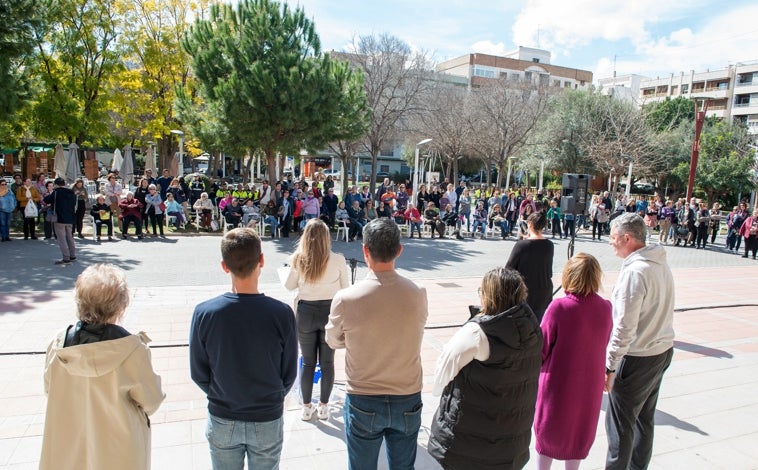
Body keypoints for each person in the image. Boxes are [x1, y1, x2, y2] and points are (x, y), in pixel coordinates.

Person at [39, 264, 165, 470]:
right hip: (120, 448)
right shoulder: (132, 349)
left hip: (68, 445)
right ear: (121, 305)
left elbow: (49, 389)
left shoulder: (58, 343)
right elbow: (152, 400)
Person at [190, 228, 297, 469]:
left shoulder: (205, 313)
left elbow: (198, 372)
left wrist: (223, 394)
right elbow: (289, 373)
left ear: (224, 266)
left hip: (222, 414)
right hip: (266, 416)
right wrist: (272, 396)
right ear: (261, 260)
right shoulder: (281, 314)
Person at [326, 219, 428, 470]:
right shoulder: (417, 293)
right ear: (399, 250)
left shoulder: (346, 298)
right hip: (407, 394)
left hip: (363, 397)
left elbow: (333, 339)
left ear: (365, 250)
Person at [428, 267, 542, 470]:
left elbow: (443, 370)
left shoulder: (478, 332)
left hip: (470, 445)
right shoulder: (531, 326)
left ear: (490, 295)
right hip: (512, 442)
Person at [605, 212, 675, 470]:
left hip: (636, 358)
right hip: (661, 351)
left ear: (627, 238)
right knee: (644, 420)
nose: (610, 243)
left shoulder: (635, 272)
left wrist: (610, 365)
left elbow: (624, 327)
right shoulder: (658, 262)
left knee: (620, 429)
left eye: (613, 238)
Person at [534, 253, 613, 470]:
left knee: (548, 435)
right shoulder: (606, 308)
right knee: (579, 433)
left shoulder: (558, 307)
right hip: (589, 384)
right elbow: (603, 342)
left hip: (558, 383)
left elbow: (541, 348)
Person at [284, 220, 349, 421]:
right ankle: (323, 406)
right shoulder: (338, 259)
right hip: (330, 313)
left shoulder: (298, 259)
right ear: (327, 238)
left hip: (305, 313)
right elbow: (345, 288)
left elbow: (288, 286)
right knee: (328, 362)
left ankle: (306, 406)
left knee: (308, 362)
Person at [506, 211, 554, 322]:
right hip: (544, 290)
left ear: (530, 224)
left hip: (525, 292)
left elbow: (508, 269)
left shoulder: (522, 245)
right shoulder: (549, 245)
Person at [45, 178, 78, 265]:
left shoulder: (56, 192)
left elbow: (46, 200)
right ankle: (72, 255)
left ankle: (66, 257)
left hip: (59, 218)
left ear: (56, 184)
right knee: (70, 237)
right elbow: (74, 204)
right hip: (70, 217)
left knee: (61, 238)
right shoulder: (71, 192)